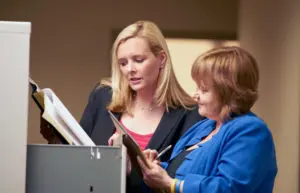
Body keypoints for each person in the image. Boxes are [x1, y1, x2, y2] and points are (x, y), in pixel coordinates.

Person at [40, 20, 204, 192]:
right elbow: (78, 160)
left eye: (138, 60)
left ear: (161, 59)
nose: (129, 70)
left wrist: (134, 168)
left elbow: (183, 183)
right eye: (123, 63)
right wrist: (54, 138)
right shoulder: (102, 97)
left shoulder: (191, 115)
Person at [137, 46, 278, 193]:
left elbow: (229, 188)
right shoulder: (204, 127)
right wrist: (156, 169)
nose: (195, 95)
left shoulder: (251, 130)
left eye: (204, 90)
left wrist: (170, 184)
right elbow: (180, 174)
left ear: (228, 92)